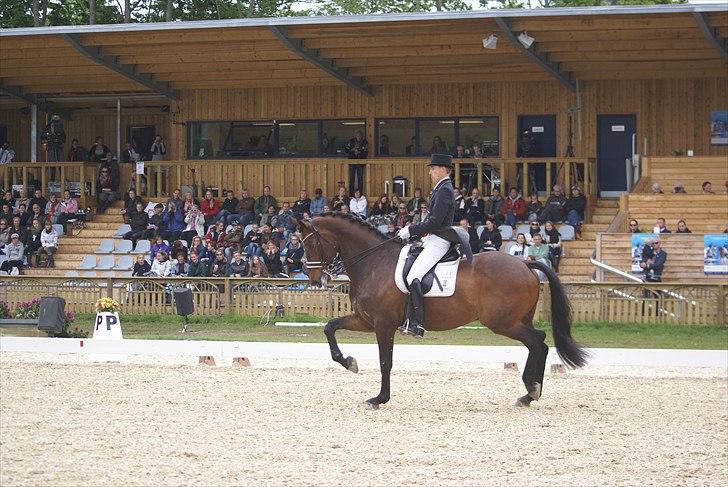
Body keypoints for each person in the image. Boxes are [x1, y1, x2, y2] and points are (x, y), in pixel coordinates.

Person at [396, 154, 459, 338]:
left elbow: (435, 222)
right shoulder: (441, 189)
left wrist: (411, 230)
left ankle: (417, 323)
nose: (430, 172)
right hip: (433, 238)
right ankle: (409, 320)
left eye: (432, 168)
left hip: (440, 240)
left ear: (442, 169)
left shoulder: (445, 190)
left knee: (414, 275)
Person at [345, 130, 367, 195]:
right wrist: (353, 150)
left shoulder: (365, 142)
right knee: (351, 178)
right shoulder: (351, 141)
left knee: (360, 179)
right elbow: (346, 150)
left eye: (360, 135)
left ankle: (360, 193)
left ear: (362, 136)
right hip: (352, 162)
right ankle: (351, 194)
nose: (359, 136)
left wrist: (360, 152)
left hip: (360, 163)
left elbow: (366, 152)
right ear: (355, 136)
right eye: (357, 135)